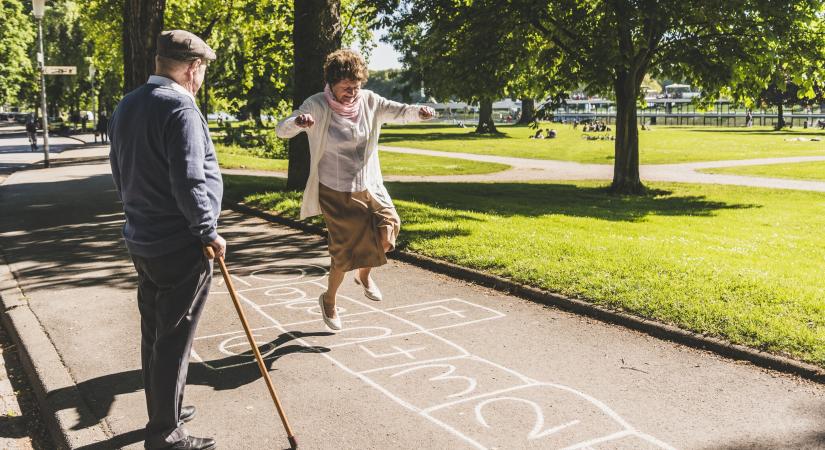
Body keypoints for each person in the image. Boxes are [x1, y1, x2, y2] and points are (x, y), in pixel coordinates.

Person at [108, 30, 222, 450]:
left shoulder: (128, 103)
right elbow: (190, 180)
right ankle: (166, 434)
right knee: (174, 337)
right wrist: (207, 231)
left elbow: (119, 172)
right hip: (180, 243)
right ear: (193, 68)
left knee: (155, 331)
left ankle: (165, 410)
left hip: (142, 237)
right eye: (203, 69)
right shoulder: (180, 108)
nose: (203, 77)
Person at [276, 49, 435, 331]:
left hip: (369, 183)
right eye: (346, 87)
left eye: (357, 86)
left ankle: (364, 275)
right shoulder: (316, 105)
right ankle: (329, 299)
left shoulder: (370, 101)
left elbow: (399, 111)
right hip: (335, 190)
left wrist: (420, 112)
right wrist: (298, 123)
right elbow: (282, 129)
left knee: (389, 230)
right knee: (344, 251)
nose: (353, 92)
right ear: (332, 83)